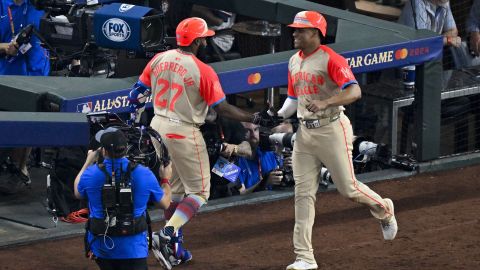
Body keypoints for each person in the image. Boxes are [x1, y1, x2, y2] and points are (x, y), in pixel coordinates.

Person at [128, 17, 274, 268]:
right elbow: (224, 109)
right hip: (183, 131)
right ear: (197, 41)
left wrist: (136, 121)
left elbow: (136, 95)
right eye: (204, 37)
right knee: (199, 192)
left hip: (157, 128)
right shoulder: (203, 70)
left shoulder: (159, 59)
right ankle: (168, 233)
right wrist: (255, 117)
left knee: (174, 190)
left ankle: (174, 248)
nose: (207, 40)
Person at [275, 11, 398, 270]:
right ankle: (304, 257)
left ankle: (384, 208)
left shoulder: (331, 59)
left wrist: (326, 101)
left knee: (348, 188)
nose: (294, 33)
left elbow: (354, 90)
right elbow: (293, 99)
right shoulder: (293, 61)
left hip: (332, 130)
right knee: (303, 194)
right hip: (305, 134)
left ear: (316, 33)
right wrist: (273, 115)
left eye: (300, 29)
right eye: (294, 29)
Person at [74, 127, 172, 270]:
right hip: (134, 249)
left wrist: (88, 162)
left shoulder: (91, 174)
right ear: (126, 149)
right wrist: (165, 180)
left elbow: (77, 192)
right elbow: (165, 204)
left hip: (102, 248)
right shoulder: (144, 173)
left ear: (103, 151)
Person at [0, 0, 50, 195]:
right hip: (4, 76)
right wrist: (5, 47)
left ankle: (20, 167)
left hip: (33, 76)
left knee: (28, 121)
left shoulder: (37, 7)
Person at [235, 122, 285, 194]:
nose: (253, 135)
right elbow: (238, 197)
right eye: (247, 131)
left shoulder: (268, 152)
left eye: (255, 129)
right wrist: (264, 183)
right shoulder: (229, 162)